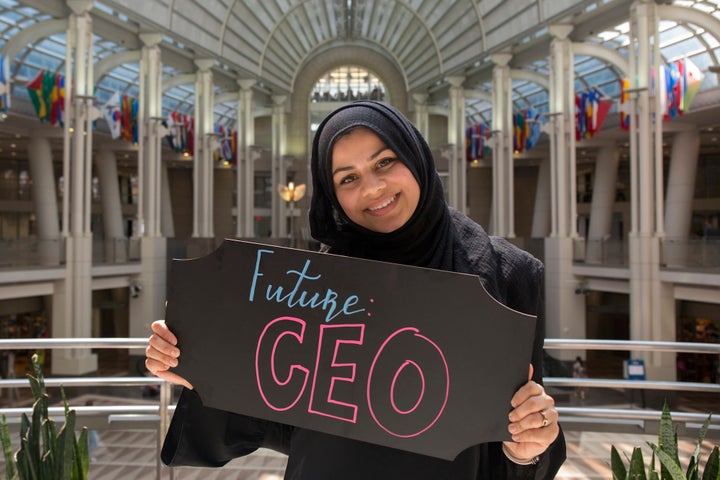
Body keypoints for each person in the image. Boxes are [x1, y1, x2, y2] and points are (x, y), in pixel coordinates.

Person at [146, 100, 566, 479]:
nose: (372, 189)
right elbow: (281, 418)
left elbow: (525, 438)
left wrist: (527, 448)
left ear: (416, 157)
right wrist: (199, 366)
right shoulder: (318, 283)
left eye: (384, 163)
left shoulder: (509, 277)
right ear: (332, 196)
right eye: (348, 179)